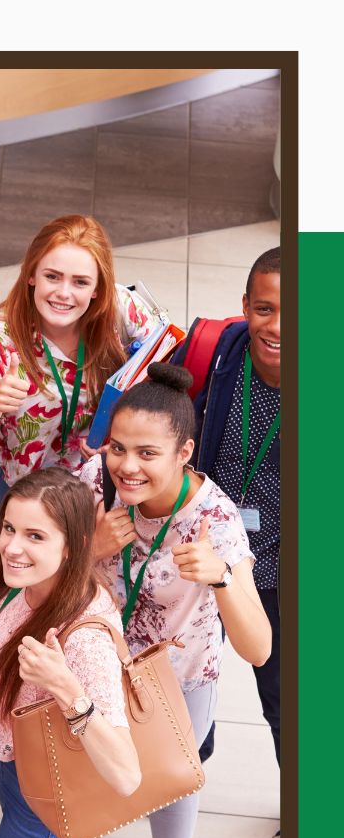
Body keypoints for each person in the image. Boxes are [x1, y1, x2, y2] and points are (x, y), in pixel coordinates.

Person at [79, 362, 272, 838]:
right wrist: (88, 548)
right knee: (92, 749)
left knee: (171, 780)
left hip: (179, 678)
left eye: (147, 454)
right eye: (118, 447)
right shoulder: (94, 483)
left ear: (184, 453)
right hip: (99, 661)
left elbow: (259, 649)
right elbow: (40, 573)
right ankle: (81, 821)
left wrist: (223, 577)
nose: (126, 467)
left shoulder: (217, 522)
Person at [0, 468, 140, 838]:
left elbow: (127, 776)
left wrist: (65, 687)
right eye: (9, 528)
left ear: (73, 546)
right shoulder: (22, 582)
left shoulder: (86, 639)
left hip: (43, 803)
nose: (12, 547)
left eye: (35, 536)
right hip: (7, 764)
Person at [0, 214, 159, 510]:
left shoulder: (119, 310)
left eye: (80, 282)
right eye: (52, 276)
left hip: (102, 482)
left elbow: (171, 375)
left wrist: (123, 435)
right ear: (31, 275)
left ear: (97, 289)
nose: (64, 293)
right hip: (24, 492)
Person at [176, 247, 281, 763]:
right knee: (179, 677)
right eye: (265, 308)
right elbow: (159, 418)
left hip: (284, 567)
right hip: (202, 553)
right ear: (245, 305)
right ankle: (190, 754)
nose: (278, 327)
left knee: (287, 699)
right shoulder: (215, 354)